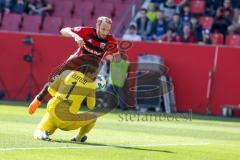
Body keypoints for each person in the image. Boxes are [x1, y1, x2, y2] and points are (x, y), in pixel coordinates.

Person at [28, 16, 119, 115]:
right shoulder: (87, 31)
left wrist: (111, 57)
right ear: (97, 25)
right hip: (76, 60)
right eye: (103, 29)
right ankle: (38, 99)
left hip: (91, 68)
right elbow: (63, 30)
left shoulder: (111, 41)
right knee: (55, 81)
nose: (105, 32)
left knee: (81, 92)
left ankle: (74, 112)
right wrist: (75, 36)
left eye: (107, 30)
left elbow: (117, 58)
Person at [34, 65, 98, 142]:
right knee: (93, 116)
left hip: (52, 111)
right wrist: (92, 92)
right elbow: (91, 106)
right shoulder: (91, 84)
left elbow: (50, 89)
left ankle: (41, 134)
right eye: (95, 74)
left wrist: (62, 97)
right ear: (88, 74)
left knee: (39, 131)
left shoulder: (66, 73)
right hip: (66, 120)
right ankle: (79, 138)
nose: (96, 76)